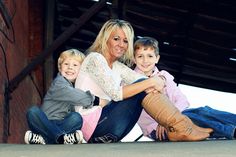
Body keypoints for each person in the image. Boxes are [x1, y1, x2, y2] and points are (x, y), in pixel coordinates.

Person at [74, 19, 211, 143]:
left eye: (126, 41)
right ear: (105, 39)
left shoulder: (118, 67)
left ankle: (182, 127)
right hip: (94, 128)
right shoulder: (94, 59)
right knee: (142, 87)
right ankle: (182, 128)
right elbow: (117, 93)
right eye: (116, 39)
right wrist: (152, 82)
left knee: (143, 84)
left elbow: (143, 80)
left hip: (113, 130)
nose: (121, 44)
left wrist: (159, 79)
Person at [134, 36, 236, 141]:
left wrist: (170, 119)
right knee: (189, 118)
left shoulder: (164, 76)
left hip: (177, 118)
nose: (145, 60)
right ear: (134, 58)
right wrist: (166, 121)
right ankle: (231, 131)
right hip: (157, 129)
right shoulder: (132, 81)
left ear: (157, 58)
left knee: (202, 111)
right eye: (140, 56)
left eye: (150, 56)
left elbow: (183, 101)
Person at [24, 49, 103, 144]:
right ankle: (61, 138)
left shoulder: (74, 86)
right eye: (66, 64)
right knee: (33, 112)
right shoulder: (59, 83)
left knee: (76, 118)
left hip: (62, 124)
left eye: (75, 65)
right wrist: (95, 100)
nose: (70, 67)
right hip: (46, 122)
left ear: (81, 70)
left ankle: (45, 138)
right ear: (60, 67)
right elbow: (78, 97)